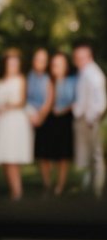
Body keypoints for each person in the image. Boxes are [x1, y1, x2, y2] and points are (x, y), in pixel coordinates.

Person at [0, 49, 33, 199]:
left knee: (13, 158)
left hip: (15, 123)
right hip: (2, 123)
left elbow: (21, 101)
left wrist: (5, 107)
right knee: (5, 158)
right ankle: (12, 189)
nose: (13, 66)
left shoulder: (21, 79)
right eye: (10, 63)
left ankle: (17, 192)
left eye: (16, 64)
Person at [72, 42, 107, 197]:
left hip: (91, 121)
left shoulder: (94, 74)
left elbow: (101, 102)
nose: (79, 60)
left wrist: (91, 118)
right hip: (84, 119)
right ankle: (91, 188)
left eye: (82, 57)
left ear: (89, 56)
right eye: (77, 58)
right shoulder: (84, 72)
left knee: (96, 156)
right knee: (90, 156)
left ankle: (97, 191)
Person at [39, 52, 76, 196]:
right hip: (48, 121)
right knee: (44, 154)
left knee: (63, 156)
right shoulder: (47, 81)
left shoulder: (72, 81)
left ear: (65, 66)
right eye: (54, 64)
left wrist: (63, 110)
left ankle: (59, 187)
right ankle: (47, 184)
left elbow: (76, 100)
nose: (56, 67)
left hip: (64, 121)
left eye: (59, 64)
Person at [27, 48, 55, 174]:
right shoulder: (27, 77)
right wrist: (31, 116)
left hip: (44, 119)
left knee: (45, 153)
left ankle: (48, 182)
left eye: (43, 60)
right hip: (29, 117)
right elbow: (24, 98)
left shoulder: (48, 79)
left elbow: (49, 101)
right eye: (38, 59)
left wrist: (40, 117)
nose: (40, 62)